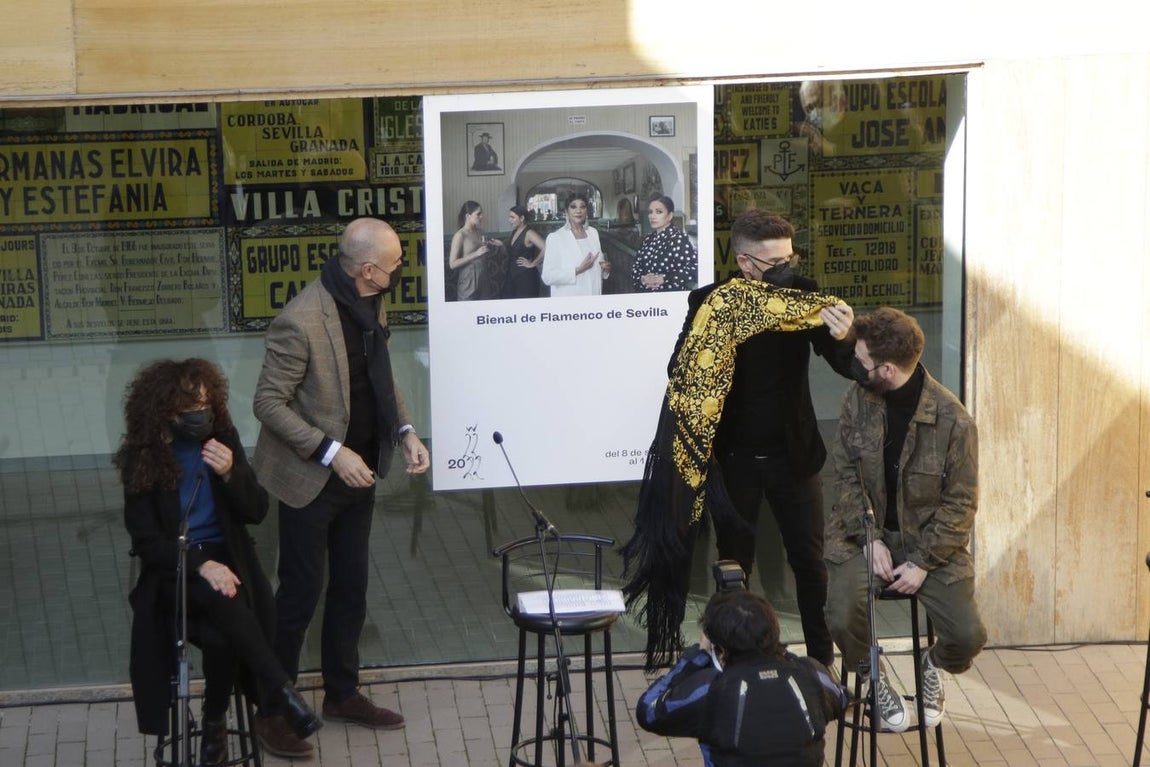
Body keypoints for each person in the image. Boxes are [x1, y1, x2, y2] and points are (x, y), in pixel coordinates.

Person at [252, 217, 431, 757]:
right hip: (310, 478)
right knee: (301, 594)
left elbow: (380, 372)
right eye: (395, 264)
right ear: (368, 269)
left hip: (362, 471)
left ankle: (342, 693)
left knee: (351, 587)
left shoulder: (370, 299)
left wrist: (405, 430)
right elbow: (267, 404)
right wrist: (333, 452)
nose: (400, 271)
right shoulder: (300, 320)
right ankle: (273, 709)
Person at [117, 358, 321, 765]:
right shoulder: (142, 459)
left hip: (228, 563)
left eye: (206, 406)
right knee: (222, 594)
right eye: (190, 411)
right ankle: (278, 690)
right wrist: (199, 564)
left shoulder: (222, 440)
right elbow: (147, 543)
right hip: (173, 573)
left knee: (223, 631)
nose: (201, 417)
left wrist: (232, 475)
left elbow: (258, 510)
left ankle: (214, 727)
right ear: (165, 413)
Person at [687, 209, 855, 668]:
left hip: (793, 455)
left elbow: (841, 361)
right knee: (734, 566)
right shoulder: (711, 302)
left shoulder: (804, 296)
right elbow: (681, 373)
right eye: (774, 261)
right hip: (735, 457)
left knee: (810, 562)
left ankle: (822, 665)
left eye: (790, 257)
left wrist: (844, 337)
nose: (787, 267)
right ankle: (736, 661)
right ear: (745, 263)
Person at [824, 306, 986, 732]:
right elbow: (843, 474)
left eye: (862, 361)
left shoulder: (954, 421)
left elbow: (961, 504)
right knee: (841, 615)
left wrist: (924, 562)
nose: (855, 366)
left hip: (931, 544)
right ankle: (870, 674)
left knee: (968, 636)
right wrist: (869, 537)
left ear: (888, 369)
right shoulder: (857, 401)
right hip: (862, 536)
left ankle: (931, 664)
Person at [637, 590, 847, 767]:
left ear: (720, 651)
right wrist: (782, 655)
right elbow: (841, 699)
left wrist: (697, 655)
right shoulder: (810, 673)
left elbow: (648, 710)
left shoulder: (711, 690)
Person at [541, 193, 609, 297]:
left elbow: (600, 262)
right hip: (570, 299)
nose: (578, 211)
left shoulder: (593, 233)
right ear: (566, 212)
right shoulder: (555, 238)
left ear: (587, 211)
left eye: (582, 207)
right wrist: (577, 270)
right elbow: (547, 276)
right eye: (573, 207)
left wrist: (605, 269)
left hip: (594, 296)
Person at [632, 195, 696, 292]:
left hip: (669, 298)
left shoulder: (678, 239)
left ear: (670, 216)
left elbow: (692, 268)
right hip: (645, 299)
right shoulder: (648, 239)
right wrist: (643, 278)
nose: (652, 216)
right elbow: (635, 268)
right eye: (650, 212)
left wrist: (664, 278)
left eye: (659, 212)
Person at [449, 200, 504, 301]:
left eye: (481, 214)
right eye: (478, 214)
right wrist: (476, 254)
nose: (481, 216)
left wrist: (499, 244)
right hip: (468, 277)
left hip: (484, 275)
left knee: (484, 308)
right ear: (467, 216)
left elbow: (484, 249)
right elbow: (452, 264)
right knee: (467, 310)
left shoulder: (480, 232)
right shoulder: (460, 235)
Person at [501, 204, 545, 298]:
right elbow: (513, 249)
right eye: (509, 217)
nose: (510, 220)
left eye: (512, 217)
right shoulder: (515, 232)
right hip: (512, 276)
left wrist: (533, 263)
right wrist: (500, 244)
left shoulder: (529, 233)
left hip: (526, 277)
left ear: (522, 218)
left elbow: (546, 248)